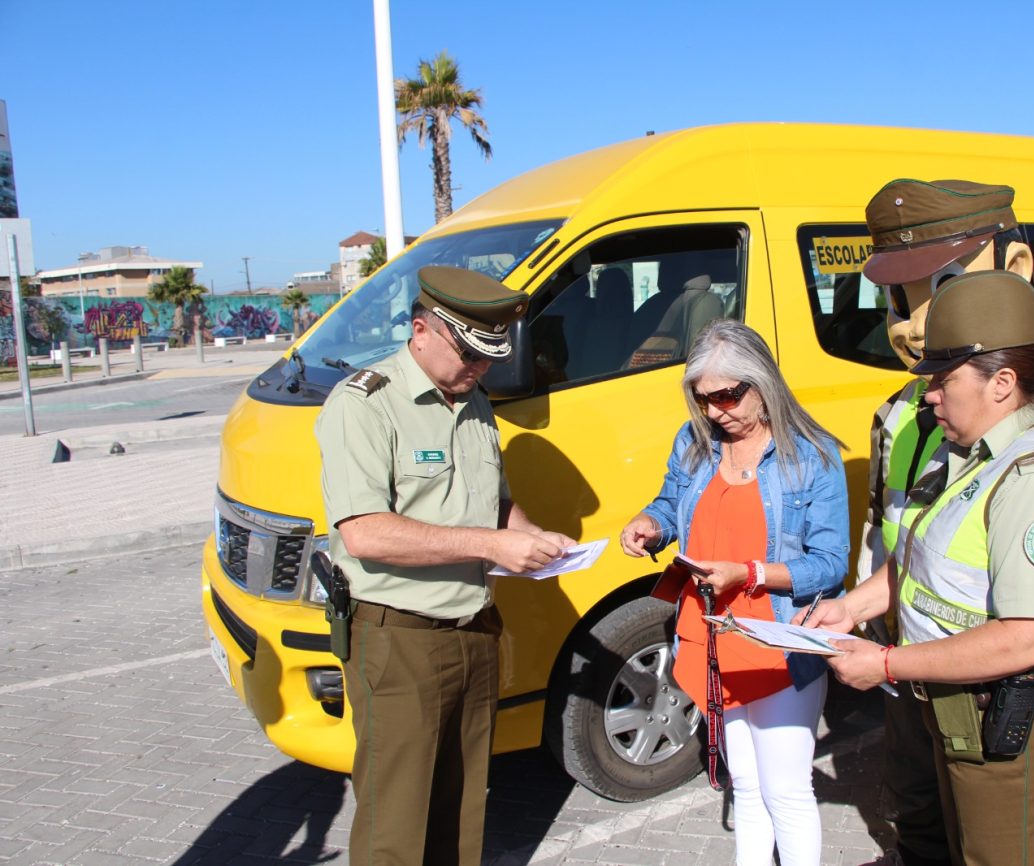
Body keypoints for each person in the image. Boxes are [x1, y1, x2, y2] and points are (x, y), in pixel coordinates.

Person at [807, 270, 1034, 866]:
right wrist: (851, 607)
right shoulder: (964, 456)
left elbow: (1028, 636)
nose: (930, 395)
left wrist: (885, 663)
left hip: (1010, 719)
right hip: (954, 704)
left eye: (943, 381)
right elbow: (919, 565)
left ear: (1002, 383)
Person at [315, 265, 575, 866]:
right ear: (421, 330)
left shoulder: (473, 399)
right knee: (395, 827)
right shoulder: (365, 404)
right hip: (399, 638)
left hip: (474, 630)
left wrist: (528, 535)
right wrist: (490, 546)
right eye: (468, 354)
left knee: (462, 814)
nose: (479, 369)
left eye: (489, 359)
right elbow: (364, 533)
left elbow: (493, 500)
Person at [620, 319, 849, 866]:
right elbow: (671, 501)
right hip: (709, 635)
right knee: (745, 786)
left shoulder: (812, 455)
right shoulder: (694, 442)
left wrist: (748, 574)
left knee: (786, 791)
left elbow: (830, 564)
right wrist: (650, 524)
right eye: (703, 400)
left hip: (777, 640)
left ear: (762, 382)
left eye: (726, 396)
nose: (714, 411)